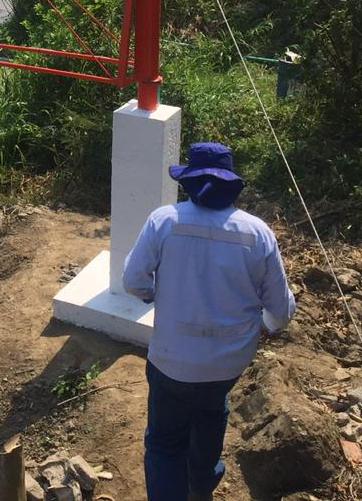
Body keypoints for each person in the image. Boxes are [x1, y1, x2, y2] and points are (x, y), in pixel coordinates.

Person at [123, 141, 296, 501]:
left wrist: (157, 295)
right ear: (232, 185)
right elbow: (280, 309)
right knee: (210, 408)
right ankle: (201, 485)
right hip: (228, 362)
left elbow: (133, 281)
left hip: (172, 359)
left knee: (165, 442)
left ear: (188, 182)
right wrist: (270, 325)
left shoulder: (165, 221)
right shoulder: (257, 232)